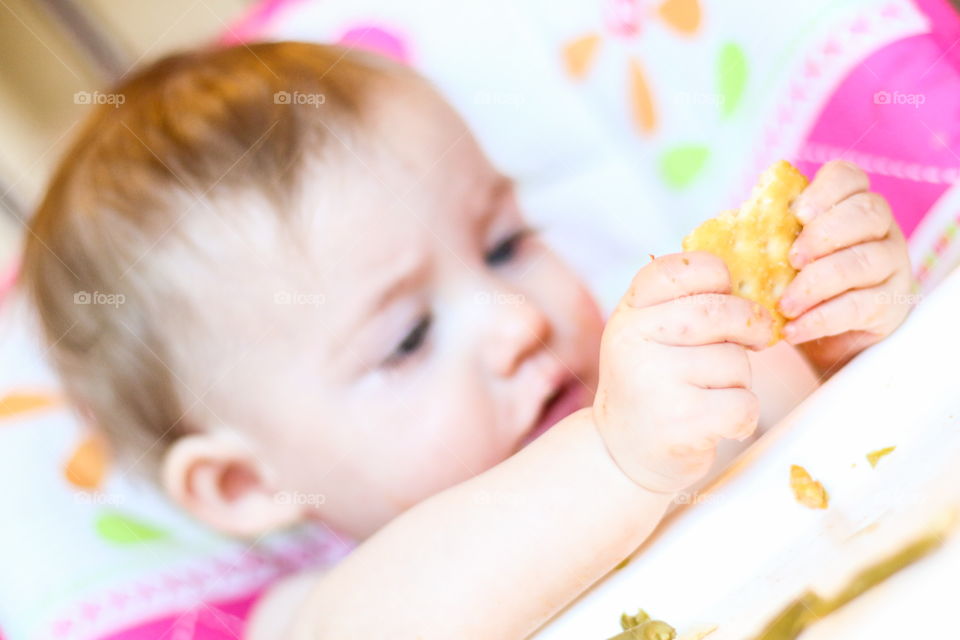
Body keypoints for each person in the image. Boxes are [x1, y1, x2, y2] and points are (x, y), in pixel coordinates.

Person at [20, 42, 913, 638]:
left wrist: (827, 332)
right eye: (407, 338)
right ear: (248, 482)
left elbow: (798, 423)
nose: (515, 319)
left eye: (504, 244)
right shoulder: (331, 611)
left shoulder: (657, 418)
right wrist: (614, 456)